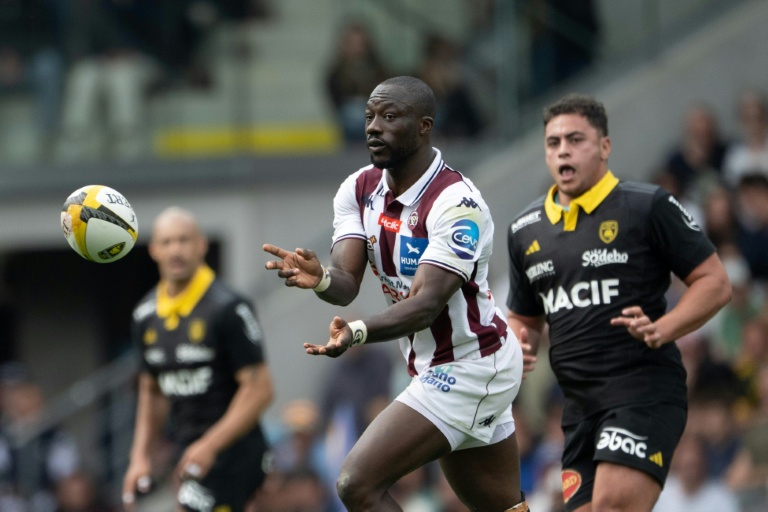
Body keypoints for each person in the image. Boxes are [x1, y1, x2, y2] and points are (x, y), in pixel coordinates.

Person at [264, 76, 528, 512]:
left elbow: (425, 307)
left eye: (389, 117)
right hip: (432, 365)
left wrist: (357, 333)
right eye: (369, 117)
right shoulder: (359, 188)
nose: (373, 127)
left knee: (355, 483)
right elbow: (347, 283)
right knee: (501, 507)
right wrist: (323, 279)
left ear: (424, 126)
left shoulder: (457, 204)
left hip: (471, 366)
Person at [506, 93, 731, 512]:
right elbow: (524, 315)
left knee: (612, 505)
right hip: (577, 410)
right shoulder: (524, 230)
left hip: (642, 391)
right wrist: (519, 342)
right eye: (553, 143)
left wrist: (665, 328)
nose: (563, 151)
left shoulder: (647, 206)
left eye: (576, 140)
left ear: (605, 147)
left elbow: (715, 283)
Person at [123, 207, 274, 512]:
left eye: (184, 240)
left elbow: (260, 390)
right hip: (191, 452)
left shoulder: (229, 307)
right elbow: (151, 391)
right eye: (166, 242)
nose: (176, 250)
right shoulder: (144, 316)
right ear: (153, 250)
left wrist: (210, 445)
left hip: (237, 451)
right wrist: (140, 457)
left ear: (201, 245)